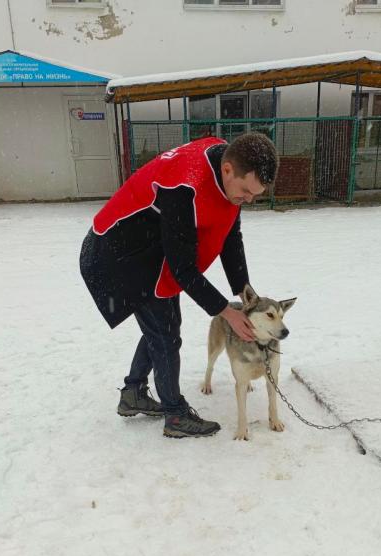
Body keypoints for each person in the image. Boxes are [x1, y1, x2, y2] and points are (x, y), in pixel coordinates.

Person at [79, 132, 279, 438]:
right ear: (228, 170)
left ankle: (133, 392)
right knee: (165, 334)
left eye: (254, 195)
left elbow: (229, 234)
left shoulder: (231, 174)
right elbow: (182, 269)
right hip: (118, 253)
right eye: (245, 191)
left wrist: (244, 290)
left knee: (162, 327)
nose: (248, 199)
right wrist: (227, 312)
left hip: (150, 249)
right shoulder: (184, 186)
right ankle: (174, 415)